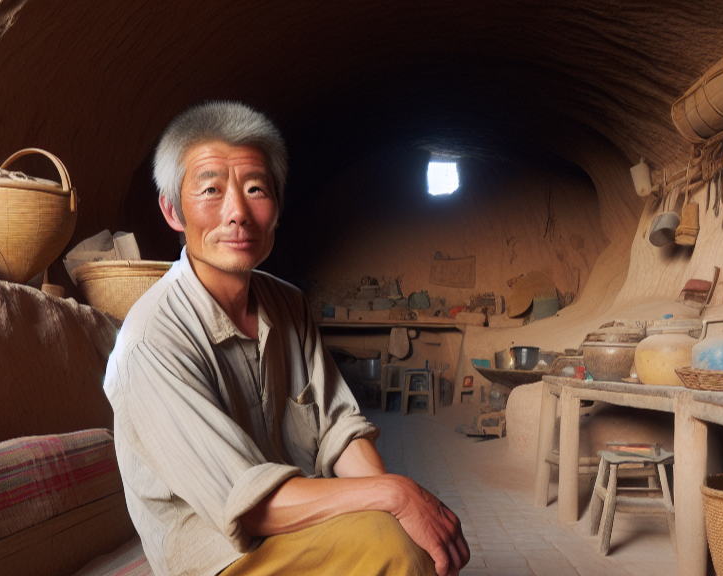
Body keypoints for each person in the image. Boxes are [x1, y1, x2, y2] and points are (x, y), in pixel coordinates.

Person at [103, 101, 469, 576]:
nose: (237, 213)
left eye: (255, 189)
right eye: (211, 189)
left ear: (276, 208)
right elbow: (250, 505)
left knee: (407, 533)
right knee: (393, 543)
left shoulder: (288, 306)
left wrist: (397, 509)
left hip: (298, 526)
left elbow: (341, 429)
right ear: (172, 210)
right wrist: (396, 495)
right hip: (222, 554)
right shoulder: (151, 341)